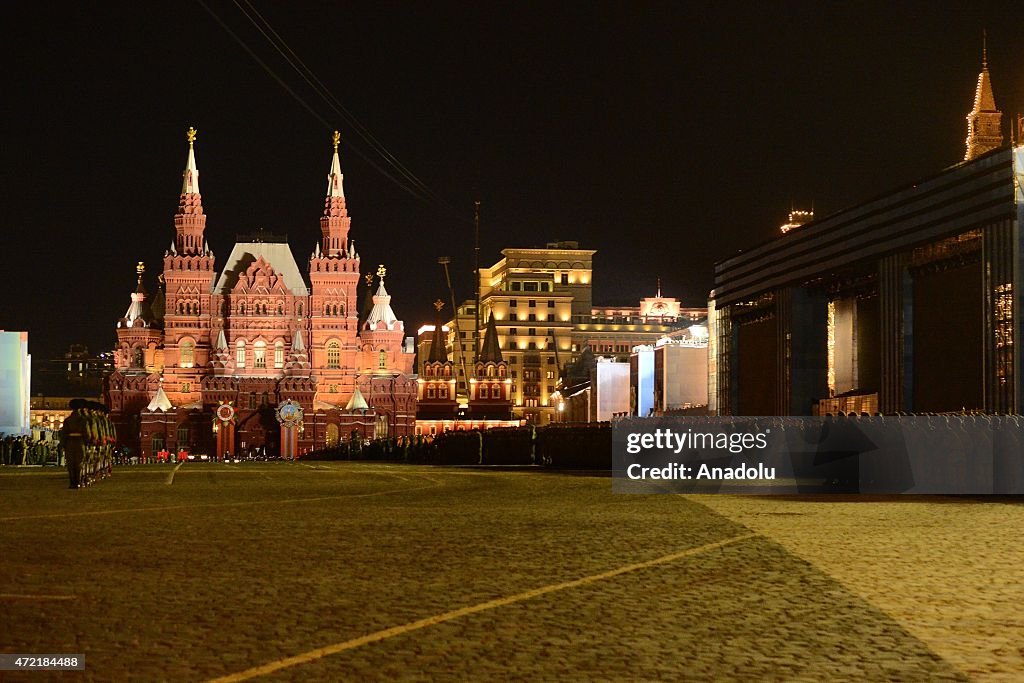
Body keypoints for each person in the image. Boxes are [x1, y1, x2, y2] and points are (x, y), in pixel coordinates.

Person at [60, 400, 88, 489]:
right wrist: (87, 442)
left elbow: (63, 433)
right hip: (80, 442)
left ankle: (72, 482)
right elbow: (87, 433)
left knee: (70, 464)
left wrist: (63, 444)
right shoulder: (83, 420)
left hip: (69, 442)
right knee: (79, 463)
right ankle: (78, 482)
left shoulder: (67, 420)